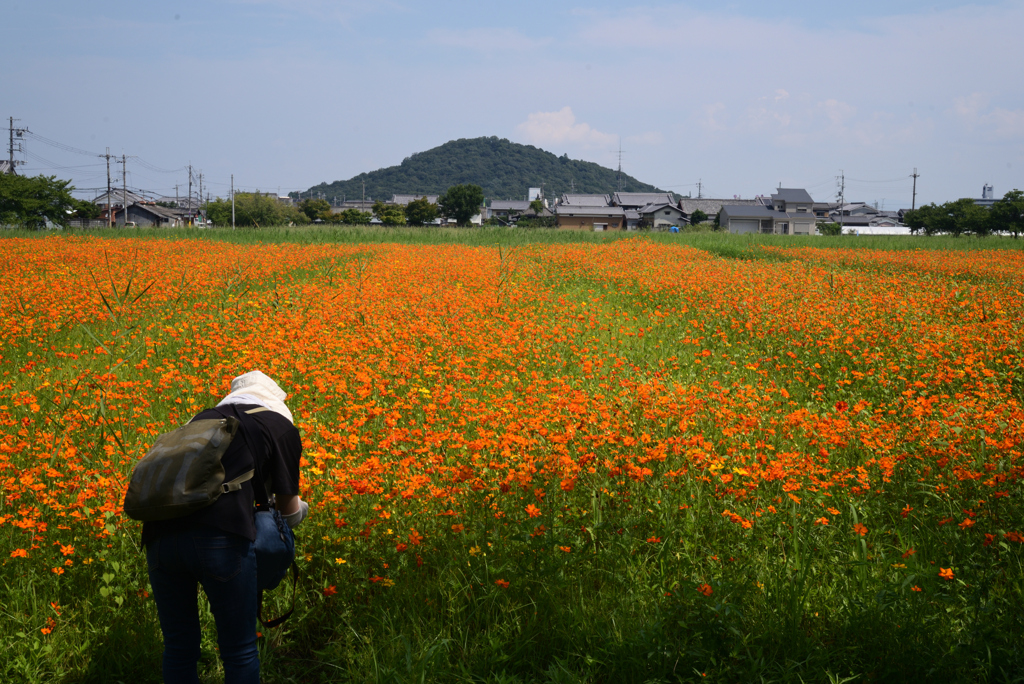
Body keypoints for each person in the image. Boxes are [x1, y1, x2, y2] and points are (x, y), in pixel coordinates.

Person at [142, 371, 309, 684]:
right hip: (221, 538)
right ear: (275, 402)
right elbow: (289, 513)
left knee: (178, 647)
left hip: (158, 535)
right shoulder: (279, 427)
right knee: (240, 650)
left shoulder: (200, 421)